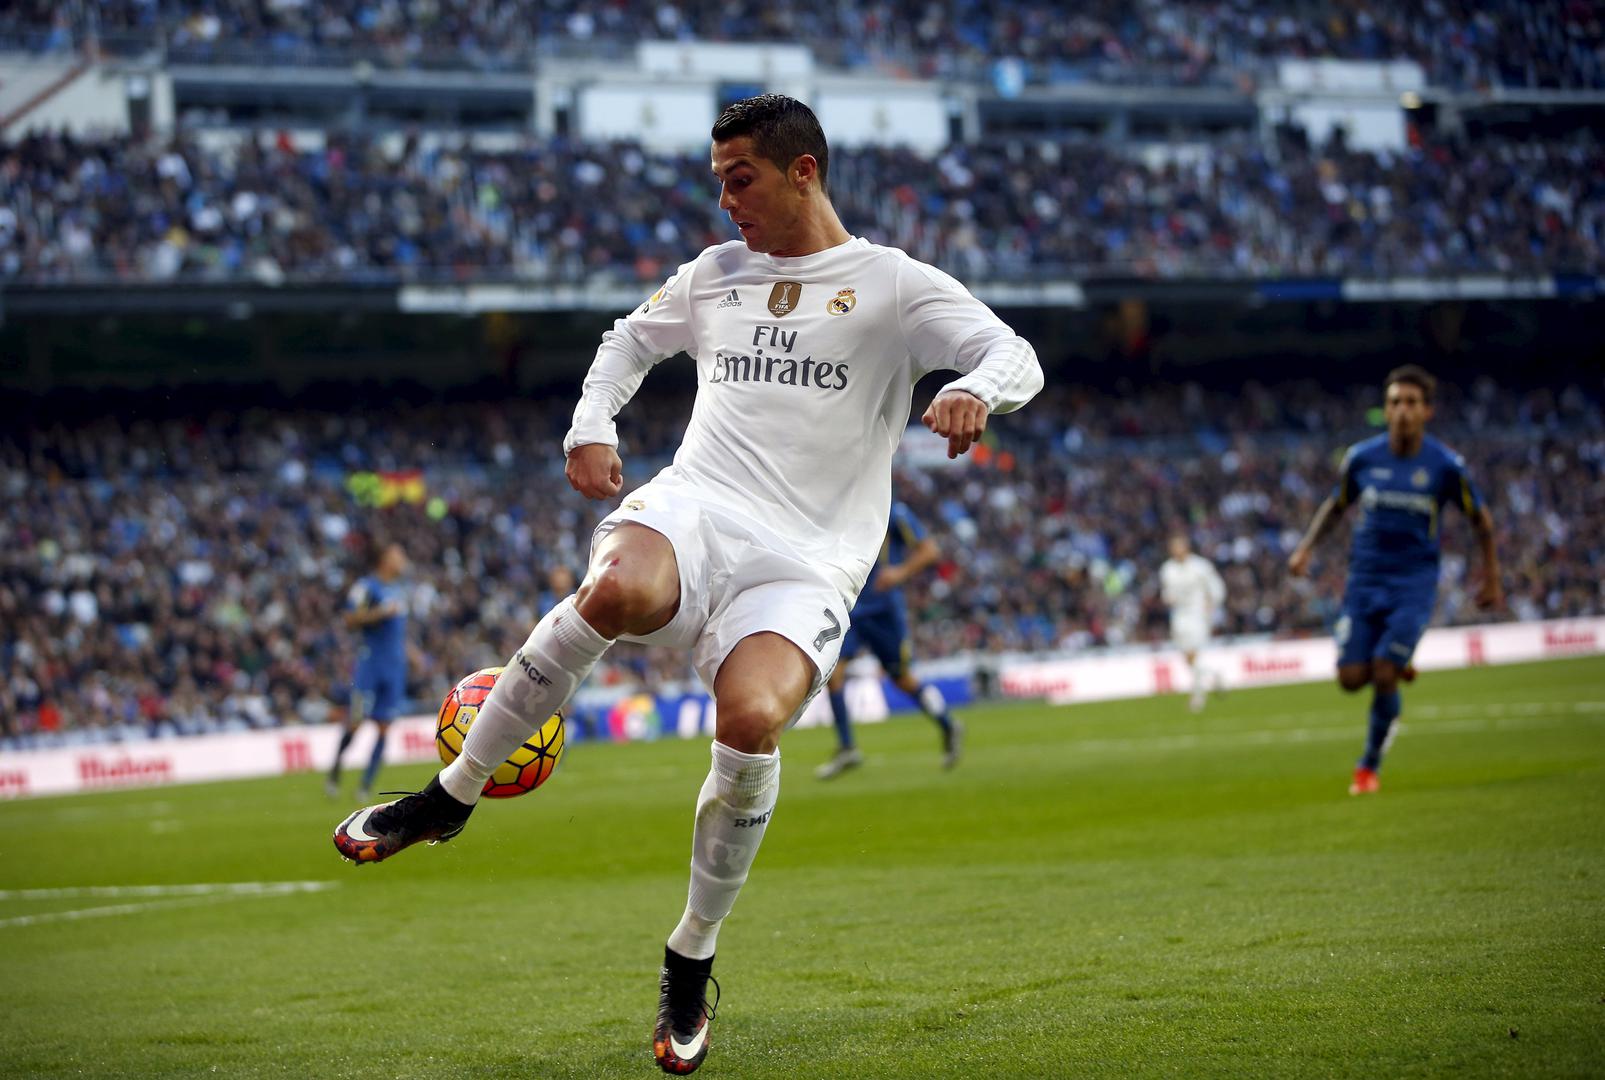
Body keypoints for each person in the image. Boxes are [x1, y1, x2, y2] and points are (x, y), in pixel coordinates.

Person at [331, 94, 1042, 1074]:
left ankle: (690, 955)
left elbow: (1013, 353)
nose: (724, 201)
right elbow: (627, 341)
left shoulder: (891, 284)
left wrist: (971, 388)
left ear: (802, 171)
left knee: (750, 721)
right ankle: (447, 798)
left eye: (739, 179)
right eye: (717, 182)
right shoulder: (715, 276)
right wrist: (591, 425)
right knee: (616, 588)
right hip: (699, 507)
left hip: (808, 558)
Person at [1288, 365, 1501, 796]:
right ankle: (1395, 664)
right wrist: (1306, 547)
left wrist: (1492, 577)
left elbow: (1481, 521)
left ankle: (1368, 766)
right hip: (1364, 579)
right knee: (1351, 678)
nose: (1402, 410)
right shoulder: (1362, 458)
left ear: (1427, 411)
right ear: (1385, 411)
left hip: (1413, 583)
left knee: (1383, 672)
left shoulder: (1445, 466)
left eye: (1411, 403)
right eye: (1395, 402)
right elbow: (1336, 505)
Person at [815, 499, 963, 779]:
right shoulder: (843, 504)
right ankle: (847, 747)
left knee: (901, 678)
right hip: (851, 608)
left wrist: (900, 572)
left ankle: (947, 723)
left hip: (884, 610)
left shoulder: (893, 509)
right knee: (833, 672)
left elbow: (930, 550)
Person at [326, 541, 409, 801]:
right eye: (398, 555)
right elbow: (349, 619)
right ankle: (335, 770)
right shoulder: (367, 587)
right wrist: (380, 613)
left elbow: (396, 633)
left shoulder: (398, 590)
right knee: (356, 720)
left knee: (384, 726)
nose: (403, 560)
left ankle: (365, 785)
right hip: (370, 666)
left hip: (394, 668)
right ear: (385, 559)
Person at [1159, 533, 1227, 713]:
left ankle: (1197, 697)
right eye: (1173, 548)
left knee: (1195, 654)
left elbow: (1216, 587)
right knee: (1188, 658)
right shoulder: (1168, 569)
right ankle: (1214, 674)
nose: (1176, 550)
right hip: (1179, 616)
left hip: (1198, 615)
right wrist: (1168, 599)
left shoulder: (1200, 566)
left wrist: (1212, 604)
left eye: (1179, 546)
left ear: (1186, 547)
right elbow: (1167, 593)